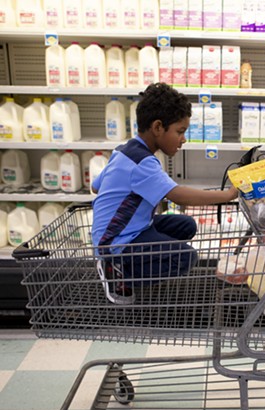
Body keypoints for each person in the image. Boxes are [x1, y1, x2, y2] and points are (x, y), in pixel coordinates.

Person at [92, 83, 237, 304]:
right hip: (117, 242)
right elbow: (178, 195)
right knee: (186, 257)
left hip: (133, 229)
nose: (184, 139)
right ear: (158, 127)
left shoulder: (124, 151)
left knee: (186, 226)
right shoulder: (142, 162)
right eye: (180, 131)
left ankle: (135, 262)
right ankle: (118, 273)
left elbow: (96, 186)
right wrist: (227, 196)